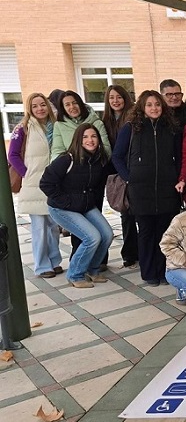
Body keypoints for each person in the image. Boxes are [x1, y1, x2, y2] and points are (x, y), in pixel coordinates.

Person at [113, 90, 182, 286]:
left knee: (165, 231)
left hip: (167, 189)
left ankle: (163, 270)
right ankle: (149, 272)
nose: (154, 108)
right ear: (142, 107)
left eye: (158, 104)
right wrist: (129, 178)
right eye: (150, 105)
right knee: (145, 232)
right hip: (140, 190)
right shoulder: (130, 128)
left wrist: (176, 177)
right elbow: (117, 156)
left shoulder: (171, 128)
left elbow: (178, 156)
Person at [40, 124, 113, 288]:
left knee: (107, 235)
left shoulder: (98, 160)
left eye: (94, 136)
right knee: (92, 237)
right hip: (61, 207)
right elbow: (45, 184)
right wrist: (66, 202)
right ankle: (75, 274)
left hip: (85, 205)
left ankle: (92, 271)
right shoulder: (67, 159)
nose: (90, 140)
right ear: (78, 140)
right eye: (85, 137)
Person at [8, 93, 63, 278]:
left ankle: (55, 261)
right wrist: (26, 174)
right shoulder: (22, 128)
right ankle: (42, 265)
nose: (40, 109)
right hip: (34, 184)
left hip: (54, 184)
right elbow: (13, 155)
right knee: (39, 227)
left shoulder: (56, 126)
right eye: (35, 106)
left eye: (43, 105)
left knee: (54, 225)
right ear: (29, 109)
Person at [102, 85, 138, 267]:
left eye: (119, 97)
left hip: (133, 168)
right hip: (117, 171)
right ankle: (130, 252)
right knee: (126, 213)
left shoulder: (133, 118)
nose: (116, 101)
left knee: (138, 213)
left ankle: (138, 250)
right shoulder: (105, 121)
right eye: (111, 98)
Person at [51, 91, 110, 159]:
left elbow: (106, 149)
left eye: (75, 103)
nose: (72, 107)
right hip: (71, 166)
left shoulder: (97, 123)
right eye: (67, 105)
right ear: (63, 108)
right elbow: (57, 150)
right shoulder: (59, 125)